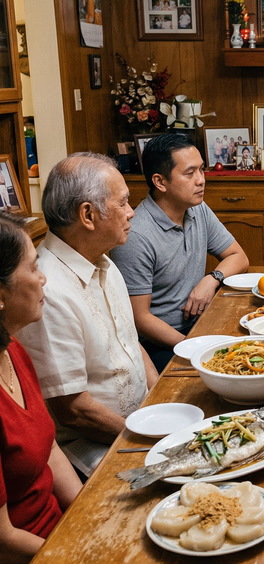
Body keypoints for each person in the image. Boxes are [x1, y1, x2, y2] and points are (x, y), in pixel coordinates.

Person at [15, 153, 158, 477]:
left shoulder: (103, 261)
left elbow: (131, 343)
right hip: (94, 449)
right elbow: (75, 411)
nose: (131, 212)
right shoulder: (48, 290)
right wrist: (149, 438)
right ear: (88, 215)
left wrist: (161, 404)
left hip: (140, 424)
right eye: (122, 203)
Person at [109, 135, 249, 372]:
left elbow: (239, 257)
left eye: (202, 170)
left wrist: (211, 279)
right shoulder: (137, 235)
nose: (201, 180)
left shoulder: (197, 208)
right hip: (160, 343)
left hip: (200, 325)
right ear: (160, 182)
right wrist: (193, 347)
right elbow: (139, 319)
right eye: (190, 173)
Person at [0, 211, 83, 561]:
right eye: (33, 268)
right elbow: (4, 541)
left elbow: (47, 448)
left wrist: (89, 512)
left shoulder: (13, 348)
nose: (44, 279)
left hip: (59, 531)